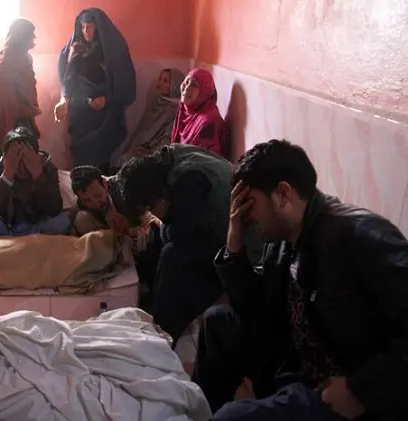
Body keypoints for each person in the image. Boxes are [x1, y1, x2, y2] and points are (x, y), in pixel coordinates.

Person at [195, 139, 408, 420]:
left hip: (339, 385)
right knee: (216, 322)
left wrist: (359, 390)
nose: (245, 216)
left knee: (234, 417)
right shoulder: (284, 239)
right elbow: (255, 309)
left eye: (250, 204)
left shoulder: (361, 236)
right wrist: (234, 245)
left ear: (283, 194)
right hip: (295, 357)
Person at [116, 144, 262, 346]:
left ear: (157, 196)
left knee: (172, 256)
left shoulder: (189, 179)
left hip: (246, 250)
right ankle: (157, 313)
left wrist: (161, 225)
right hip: (220, 233)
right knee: (157, 242)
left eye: (149, 208)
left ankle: (163, 336)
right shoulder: (171, 156)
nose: (150, 213)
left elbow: (179, 235)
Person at [54, 8, 136, 176]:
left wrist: (107, 99)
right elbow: (68, 79)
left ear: (98, 28)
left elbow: (124, 81)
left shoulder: (112, 49)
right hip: (80, 114)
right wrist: (64, 100)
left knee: (100, 161)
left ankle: (100, 197)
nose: (86, 32)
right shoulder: (74, 48)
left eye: (90, 27)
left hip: (104, 115)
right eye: (83, 27)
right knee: (80, 160)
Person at [69, 165, 162, 308]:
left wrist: (135, 229)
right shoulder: (79, 211)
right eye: (87, 200)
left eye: (98, 195)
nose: (95, 203)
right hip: (112, 252)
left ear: (105, 184)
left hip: (141, 244)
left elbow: (149, 217)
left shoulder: (123, 190)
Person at [0, 126, 69, 238]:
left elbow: (54, 210)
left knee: (61, 221)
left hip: (37, 226)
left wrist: (38, 175)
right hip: (7, 227)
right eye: (16, 158)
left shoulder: (47, 167)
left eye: (25, 158)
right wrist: (7, 175)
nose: (21, 167)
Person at [0, 18, 40, 162]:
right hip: (8, 116)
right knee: (8, 152)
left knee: (28, 153)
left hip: (24, 113)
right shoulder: (4, 60)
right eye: (30, 35)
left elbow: (28, 86)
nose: (33, 39)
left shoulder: (26, 58)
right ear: (22, 37)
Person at [112, 68, 185, 170]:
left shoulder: (175, 111)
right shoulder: (156, 101)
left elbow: (168, 140)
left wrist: (149, 151)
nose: (160, 83)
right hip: (141, 148)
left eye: (165, 81)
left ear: (176, 85)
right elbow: (143, 130)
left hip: (156, 154)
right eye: (160, 78)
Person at [171, 68, 225, 156]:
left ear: (205, 92)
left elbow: (203, 161)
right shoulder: (186, 111)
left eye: (194, 85)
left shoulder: (208, 122)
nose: (187, 87)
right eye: (187, 82)